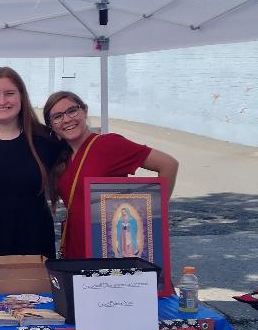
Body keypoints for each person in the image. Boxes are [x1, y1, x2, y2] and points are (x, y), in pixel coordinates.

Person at [44, 90, 178, 259]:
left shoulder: (109, 145)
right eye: (58, 116)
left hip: (108, 247)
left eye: (72, 111)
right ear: (51, 125)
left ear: (84, 111)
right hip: (75, 246)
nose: (67, 119)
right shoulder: (61, 157)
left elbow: (168, 164)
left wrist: (150, 218)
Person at [0, 67, 67, 266]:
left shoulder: (47, 140)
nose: (2, 101)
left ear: (21, 97)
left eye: (9, 93)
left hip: (35, 245)